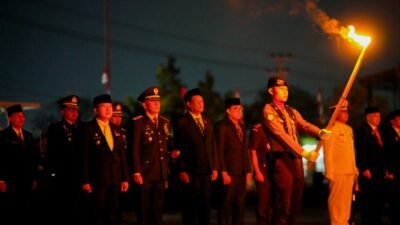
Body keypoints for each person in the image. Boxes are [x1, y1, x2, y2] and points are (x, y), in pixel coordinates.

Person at [262, 76, 330, 225]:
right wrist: (304, 152)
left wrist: (319, 132)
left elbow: (304, 125)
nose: (285, 92)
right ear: (271, 90)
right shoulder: (268, 111)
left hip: (296, 160)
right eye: (280, 89)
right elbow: (281, 135)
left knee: (296, 203)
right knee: (283, 204)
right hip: (282, 160)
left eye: (286, 89)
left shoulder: (291, 111)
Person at [130, 86, 180, 225]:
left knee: (157, 212)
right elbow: (134, 149)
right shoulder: (138, 122)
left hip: (160, 174)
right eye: (153, 101)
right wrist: (136, 172)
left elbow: (163, 147)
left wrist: (172, 153)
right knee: (144, 212)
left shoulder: (165, 122)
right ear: (145, 104)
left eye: (158, 100)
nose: (157, 104)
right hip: (145, 174)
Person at [81, 94, 130, 225]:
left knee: (113, 214)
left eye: (110, 107)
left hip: (115, 179)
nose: (109, 110)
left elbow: (122, 155)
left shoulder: (116, 129)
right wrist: (85, 180)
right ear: (96, 110)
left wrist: (125, 177)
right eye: (104, 107)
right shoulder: (87, 128)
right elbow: (84, 157)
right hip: (97, 180)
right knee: (97, 214)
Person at [174, 88, 219, 225]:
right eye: (198, 102)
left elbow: (213, 145)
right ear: (189, 104)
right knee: (190, 209)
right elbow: (178, 146)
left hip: (206, 172)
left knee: (205, 209)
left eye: (202, 101)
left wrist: (215, 167)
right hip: (191, 173)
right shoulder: (182, 122)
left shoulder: (207, 120)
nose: (201, 104)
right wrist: (182, 170)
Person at [46, 95, 83, 224]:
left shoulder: (82, 127)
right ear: (62, 111)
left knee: (80, 211)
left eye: (76, 109)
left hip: (80, 176)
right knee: (64, 211)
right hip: (63, 177)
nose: (74, 112)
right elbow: (51, 154)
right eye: (71, 109)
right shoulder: (55, 128)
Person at [215, 97, 252, 225]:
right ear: (228, 111)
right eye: (235, 109)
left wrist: (248, 170)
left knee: (240, 206)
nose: (238, 111)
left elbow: (245, 150)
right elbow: (218, 151)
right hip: (229, 172)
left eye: (240, 108)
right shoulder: (222, 126)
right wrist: (223, 172)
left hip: (241, 172)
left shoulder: (242, 126)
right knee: (225, 206)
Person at [0, 104, 39, 224]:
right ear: (10, 118)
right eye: (17, 116)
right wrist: (1, 180)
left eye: (22, 116)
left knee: (27, 211)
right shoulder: (3, 136)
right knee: (12, 211)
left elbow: (33, 159)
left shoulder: (28, 136)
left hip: (27, 181)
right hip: (11, 181)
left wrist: (34, 177)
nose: (21, 118)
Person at [322, 100, 358, 225]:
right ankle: (337, 222)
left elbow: (350, 152)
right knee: (336, 201)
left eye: (347, 112)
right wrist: (329, 172)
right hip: (337, 171)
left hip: (348, 171)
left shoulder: (348, 129)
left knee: (346, 202)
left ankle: (344, 222)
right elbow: (328, 152)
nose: (347, 114)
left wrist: (354, 169)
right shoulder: (330, 129)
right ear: (336, 114)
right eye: (344, 112)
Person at [355, 106, 387, 225]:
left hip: (379, 171)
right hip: (369, 171)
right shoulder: (362, 130)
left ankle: (376, 220)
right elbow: (361, 150)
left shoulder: (381, 131)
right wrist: (364, 168)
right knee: (368, 200)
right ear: (368, 117)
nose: (378, 118)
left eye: (379, 116)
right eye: (375, 116)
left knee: (378, 200)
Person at [249, 122, 273, 225]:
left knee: (273, 203)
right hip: (262, 168)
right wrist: (257, 172)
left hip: (275, 169)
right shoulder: (258, 130)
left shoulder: (276, 128)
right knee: (263, 202)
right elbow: (253, 152)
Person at [382, 109, 399, 225]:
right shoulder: (388, 134)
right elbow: (387, 154)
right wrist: (389, 170)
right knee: (395, 200)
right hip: (394, 171)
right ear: (392, 121)